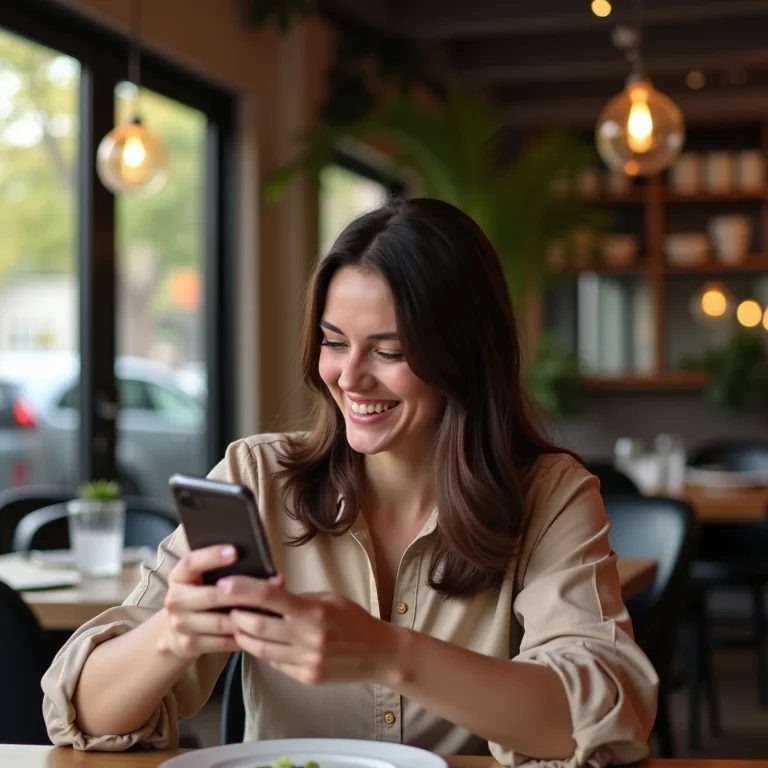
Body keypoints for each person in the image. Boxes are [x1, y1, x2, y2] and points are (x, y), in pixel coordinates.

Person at [42, 197, 657, 766]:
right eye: (335, 343)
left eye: (389, 352)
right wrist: (171, 635)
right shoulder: (258, 478)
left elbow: (603, 713)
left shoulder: (551, 494)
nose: (350, 378)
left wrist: (388, 653)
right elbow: (80, 715)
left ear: (464, 357)